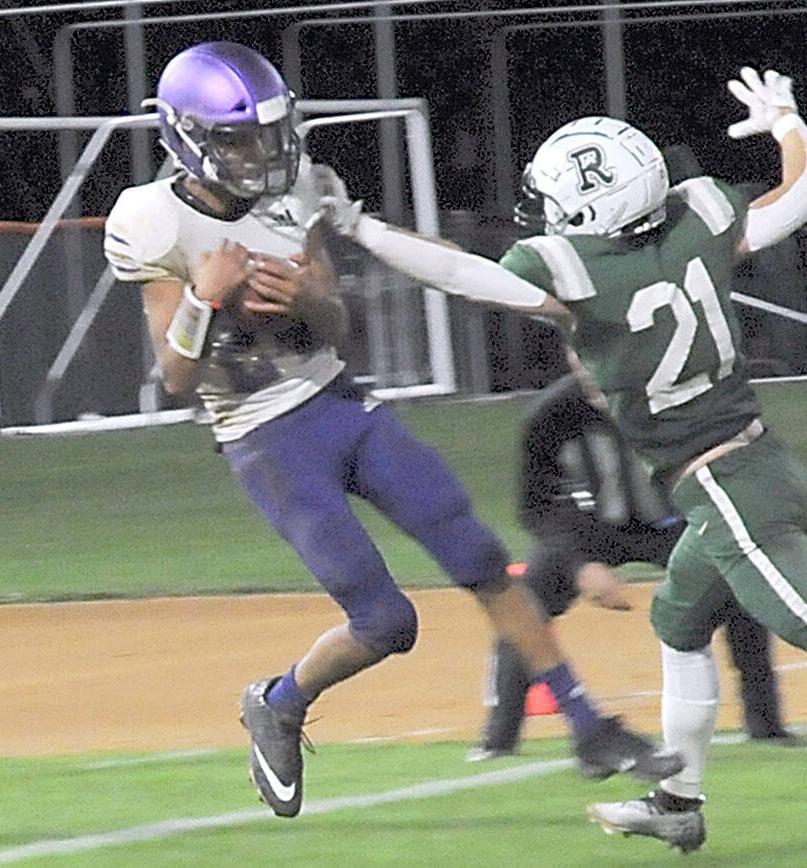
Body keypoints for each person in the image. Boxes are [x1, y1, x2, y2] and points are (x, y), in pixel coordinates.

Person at [313, 63, 807, 852]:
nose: (547, 216)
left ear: (591, 208)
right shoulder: (700, 210)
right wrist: (787, 121)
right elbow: (803, 193)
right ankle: (677, 802)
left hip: (721, 485)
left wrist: (361, 227)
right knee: (679, 618)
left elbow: (459, 272)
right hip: (757, 459)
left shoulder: (576, 269)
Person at [102, 41, 682, 820]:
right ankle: (277, 703)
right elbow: (175, 379)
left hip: (338, 401)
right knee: (385, 622)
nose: (264, 152)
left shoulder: (300, 189)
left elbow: (338, 321)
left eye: (272, 133)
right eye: (240, 138)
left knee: (478, 554)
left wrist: (305, 298)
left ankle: (589, 727)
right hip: (264, 437)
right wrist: (207, 300)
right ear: (189, 138)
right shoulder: (149, 219)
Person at [468, 369, 797, 762]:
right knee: (524, 603)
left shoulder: (675, 403)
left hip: (672, 520)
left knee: (737, 584)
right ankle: (498, 738)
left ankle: (766, 725)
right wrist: (578, 565)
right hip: (587, 529)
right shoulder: (550, 415)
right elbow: (535, 508)